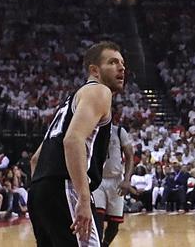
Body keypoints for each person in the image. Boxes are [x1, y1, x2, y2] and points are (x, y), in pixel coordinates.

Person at [29, 42, 125, 247]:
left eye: (122, 63)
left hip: (39, 190)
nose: (121, 68)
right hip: (65, 187)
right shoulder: (99, 91)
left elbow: (35, 159)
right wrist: (82, 197)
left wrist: (43, 196)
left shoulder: (70, 102)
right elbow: (73, 140)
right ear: (94, 70)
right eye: (113, 62)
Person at [92, 118, 134, 246]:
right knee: (97, 219)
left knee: (114, 225)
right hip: (97, 180)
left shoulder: (119, 131)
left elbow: (129, 156)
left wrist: (126, 180)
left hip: (116, 180)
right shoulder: (91, 131)